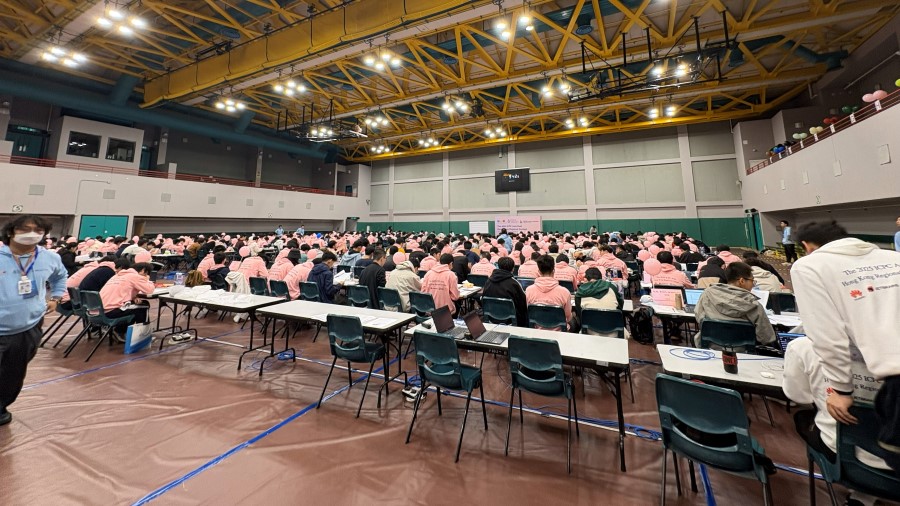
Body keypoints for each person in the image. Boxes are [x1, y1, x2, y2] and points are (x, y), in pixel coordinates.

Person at [789, 221, 900, 475]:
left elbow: (827, 336)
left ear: (806, 247)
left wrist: (841, 389)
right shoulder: (894, 258)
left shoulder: (809, 266)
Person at [783, 335, 887, 506]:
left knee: (804, 417)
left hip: (842, 457)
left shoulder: (803, 347)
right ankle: (864, 497)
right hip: (894, 464)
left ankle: (863, 494)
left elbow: (799, 396)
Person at [0, 215, 67, 426]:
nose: (32, 234)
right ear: (11, 232)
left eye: (38, 231)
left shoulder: (49, 258)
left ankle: (1, 407)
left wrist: (56, 297)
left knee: (13, 373)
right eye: (25, 229)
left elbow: (60, 276)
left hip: (28, 327)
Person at [693, 262, 776, 350]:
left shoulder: (707, 294)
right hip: (743, 353)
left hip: (710, 348)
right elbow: (766, 337)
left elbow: (699, 317)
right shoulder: (754, 305)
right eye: (752, 281)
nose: (753, 284)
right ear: (742, 281)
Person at [99, 262, 155, 340]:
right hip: (111, 311)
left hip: (100, 311)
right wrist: (147, 279)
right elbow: (149, 290)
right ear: (143, 271)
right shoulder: (134, 276)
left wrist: (133, 297)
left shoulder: (117, 276)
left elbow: (120, 292)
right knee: (143, 306)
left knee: (134, 306)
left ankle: (120, 330)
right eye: (147, 273)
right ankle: (143, 337)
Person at [525, 255, 572, 330]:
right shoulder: (564, 292)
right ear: (554, 271)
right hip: (560, 332)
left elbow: (529, 313)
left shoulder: (529, 290)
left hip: (537, 330)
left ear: (539, 272)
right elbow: (568, 317)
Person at [482, 257, 528, 327]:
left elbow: (483, 298)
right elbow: (523, 302)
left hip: (491, 317)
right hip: (511, 320)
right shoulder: (514, 283)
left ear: (498, 267)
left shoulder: (488, 281)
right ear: (513, 269)